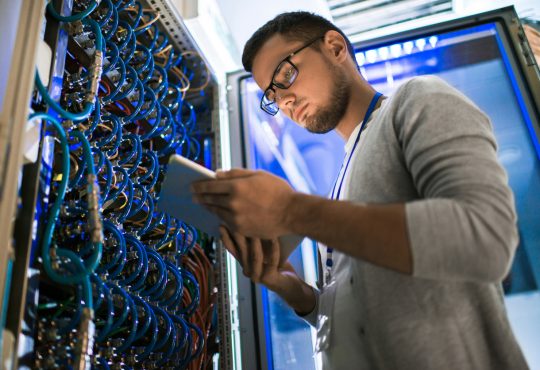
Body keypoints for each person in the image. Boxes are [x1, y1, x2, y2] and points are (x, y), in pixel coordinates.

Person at [192, 11, 529, 370]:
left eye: (285, 75)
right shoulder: (340, 182)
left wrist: (292, 210)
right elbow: (356, 313)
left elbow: (484, 238)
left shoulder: (417, 100)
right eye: (271, 95)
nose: (284, 101)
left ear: (335, 47)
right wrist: (294, 290)